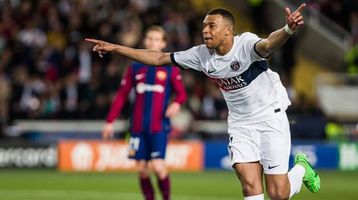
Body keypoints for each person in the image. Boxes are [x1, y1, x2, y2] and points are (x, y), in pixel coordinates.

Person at [86, 4, 320, 200]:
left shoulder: (246, 45)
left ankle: (301, 168)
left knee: (278, 194)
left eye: (211, 26)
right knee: (250, 186)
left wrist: (288, 28)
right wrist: (116, 48)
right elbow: (159, 58)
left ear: (228, 31)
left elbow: (268, 44)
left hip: (270, 115)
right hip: (240, 124)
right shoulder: (201, 55)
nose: (205, 30)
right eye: (204, 26)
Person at [101, 26, 187, 200]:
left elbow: (182, 94)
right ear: (145, 41)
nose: (152, 42)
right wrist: (109, 121)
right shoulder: (135, 68)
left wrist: (176, 104)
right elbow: (122, 95)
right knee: (141, 169)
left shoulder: (170, 68)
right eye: (149, 38)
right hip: (137, 127)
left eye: (156, 39)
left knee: (157, 166)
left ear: (163, 43)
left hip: (158, 126)